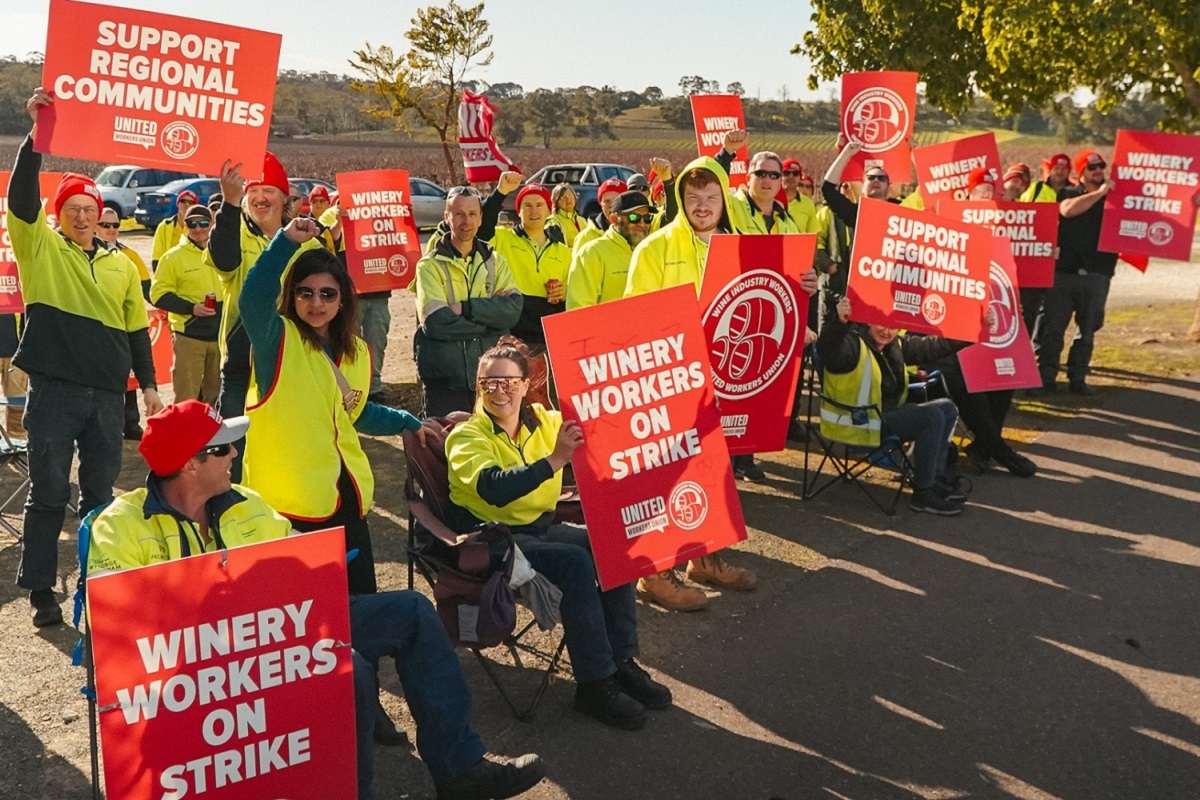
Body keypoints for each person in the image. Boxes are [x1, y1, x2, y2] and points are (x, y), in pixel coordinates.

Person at [86, 400, 545, 800]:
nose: (234, 455)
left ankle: (459, 769)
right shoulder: (119, 527)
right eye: (223, 448)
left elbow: (297, 566)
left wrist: (316, 570)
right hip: (195, 668)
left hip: (279, 633)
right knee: (352, 672)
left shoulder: (247, 501)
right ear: (190, 463)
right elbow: (112, 626)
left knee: (411, 610)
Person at [446, 339, 672, 729]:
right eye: (488, 383)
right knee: (576, 563)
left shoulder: (547, 423)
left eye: (508, 383)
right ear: (477, 387)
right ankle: (595, 682)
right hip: (495, 542)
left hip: (540, 529)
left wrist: (693, 414)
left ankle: (621, 662)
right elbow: (495, 488)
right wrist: (556, 460)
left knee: (616, 544)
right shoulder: (467, 437)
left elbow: (619, 423)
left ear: (526, 385)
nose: (499, 391)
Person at [7, 87, 162, 627]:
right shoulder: (39, 247)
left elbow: (136, 331)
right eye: (72, 209)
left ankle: (101, 581)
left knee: (100, 495)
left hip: (106, 398)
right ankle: (42, 592)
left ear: (99, 216)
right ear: (59, 215)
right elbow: (20, 200)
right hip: (53, 394)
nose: (81, 217)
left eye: (89, 211)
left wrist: (148, 387)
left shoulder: (122, 264)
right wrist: (36, 135)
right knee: (48, 494)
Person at [239, 217, 420, 596]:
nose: (316, 302)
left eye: (328, 294)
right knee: (308, 619)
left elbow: (356, 413)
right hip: (292, 507)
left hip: (349, 501)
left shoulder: (357, 352)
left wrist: (408, 422)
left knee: (362, 612)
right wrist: (286, 240)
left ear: (343, 299)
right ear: (292, 295)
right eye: (305, 293)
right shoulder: (277, 339)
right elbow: (252, 297)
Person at [622, 156, 757, 611]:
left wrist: (804, 283)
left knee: (712, 471)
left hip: (725, 380)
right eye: (694, 198)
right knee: (665, 475)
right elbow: (635, 320)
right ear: (681, 200)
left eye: (711, 197)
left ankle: (705, 557)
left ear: (724, 201)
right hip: (670, 378)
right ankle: (655, 572)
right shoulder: (655, 249)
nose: (703, 206)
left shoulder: (744, 246)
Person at [205, 153, 322, 481]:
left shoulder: (308, 245)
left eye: (269, 190)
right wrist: (229, 204)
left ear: (286, 198)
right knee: (234, 462)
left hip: (293, 368)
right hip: (241, 373)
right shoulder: (234, 233)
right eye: (253, 190)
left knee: (287, 457)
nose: (259, 198)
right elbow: (225, 262)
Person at [817, 296, 967, 515]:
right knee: (931, 416)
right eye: (881, 324)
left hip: (885, 417)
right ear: (868, 320)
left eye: (894, 327)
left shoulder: (894, 344)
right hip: (857, 424)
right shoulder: (851, 344)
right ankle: (922, 496)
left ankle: (930, 479)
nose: (887, 332)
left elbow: (933, 347)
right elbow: (827, 349)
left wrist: (973, 332)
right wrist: (839, 322)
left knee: (947, 407)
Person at [413, 186, 522, 417]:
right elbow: (436, 323)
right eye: (459, 214)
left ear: (481, 218)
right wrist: (491, 323)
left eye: (472, 214)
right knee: (444, 449)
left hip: (491, 381)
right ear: (447, 217)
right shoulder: (429, 266)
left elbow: (512, 311)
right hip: (445, 384)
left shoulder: (495, 262)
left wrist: (466, 309)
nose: (466, 221)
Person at [1034, 150, 1117, 396]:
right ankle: (1046, 377)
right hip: (1065, 273)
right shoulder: (1069, 192)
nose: (1098, 171)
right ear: (1081, 173)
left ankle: (1078, 378)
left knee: (1088, 329)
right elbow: (1068, 211)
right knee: (1053, 330)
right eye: (1092, 168)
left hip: (1098, 273)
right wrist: (1099, 194)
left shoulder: (1116, 196)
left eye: (1101, 166)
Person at [150, 204, 222, 404]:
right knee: (186, 399)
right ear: (185, 226)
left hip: (220, 338)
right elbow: (158, 294)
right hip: (189, 338)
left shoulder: (222, 253)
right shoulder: (172, 257)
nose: (198, 228)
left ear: (212, 224)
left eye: (203, 223)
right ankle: (186, 435)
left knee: (216, 400)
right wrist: (192, 308)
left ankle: (212, 436)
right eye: (192, 223)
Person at [98, 206, 153, 440]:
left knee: (128, 378)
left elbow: (147, 289)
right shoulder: (78, 255)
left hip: (124, 328)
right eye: (105, 225)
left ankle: (131, 423)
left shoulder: (129, 255)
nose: (111, 230)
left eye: (116, 225)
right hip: (97, 331)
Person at [566, 191, 654, 310]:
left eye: (647, 218)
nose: (642, 223)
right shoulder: (591, 253)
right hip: (608, 328)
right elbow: (578, 309)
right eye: (634, 217)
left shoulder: (652, 251)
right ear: (614, 219)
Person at [572, 178, 627, 253]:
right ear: (600, 204)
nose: (611, 205)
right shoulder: (585, 238)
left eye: (616, 200)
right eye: (606, 201)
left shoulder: (637, 232)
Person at [150, 190, 196, 269]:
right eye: (183, 201)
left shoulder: (198, 227)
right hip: (169, 268)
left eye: (191, 202)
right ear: (177, 203)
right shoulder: (164, 226)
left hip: (189, 270)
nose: (187, 204)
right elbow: (156, 254)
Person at [547, 183, 585, 247]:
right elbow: (558, 249)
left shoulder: (582, 221)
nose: (568, 199)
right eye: (563, 197)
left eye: (570, 195)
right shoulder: (553, 223)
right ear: (556, 202)